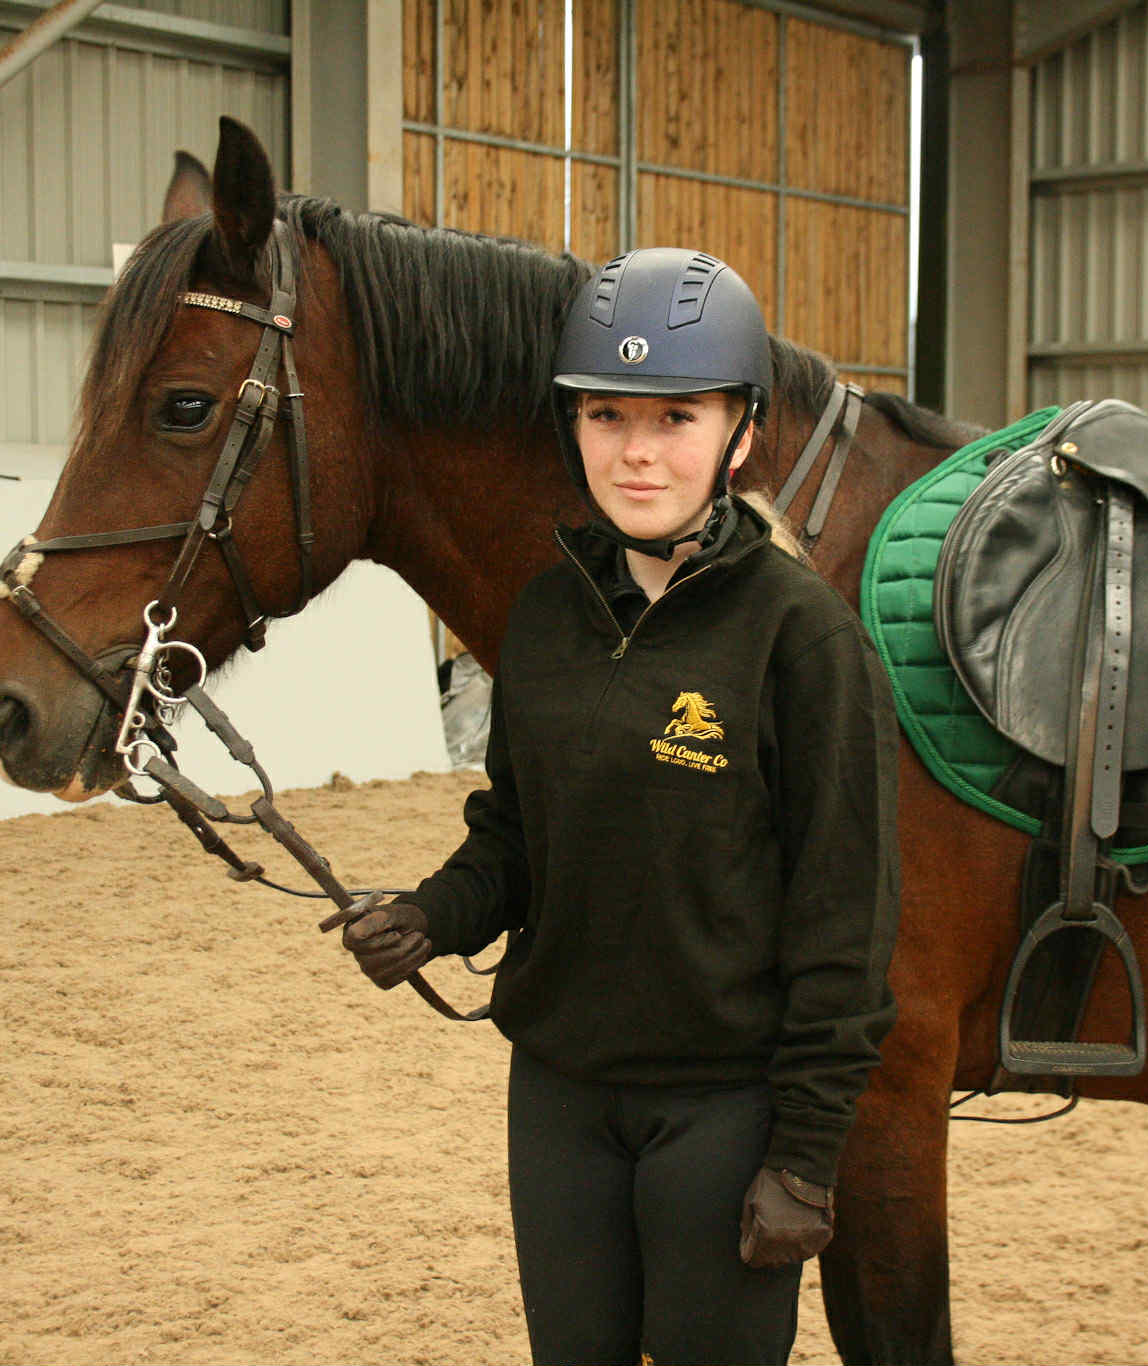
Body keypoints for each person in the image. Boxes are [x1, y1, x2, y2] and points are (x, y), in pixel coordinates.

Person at [341, 247, 901, 1366]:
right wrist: (438, 912)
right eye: (605, 415)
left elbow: (845, 919)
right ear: (571, 427)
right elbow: (516, 827)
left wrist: (803, 1156)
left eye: (675, 416)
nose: (637, 451)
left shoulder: (804, 640)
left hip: (721, 1112)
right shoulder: (542, 618)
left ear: (738, 432)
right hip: (558, 1100)